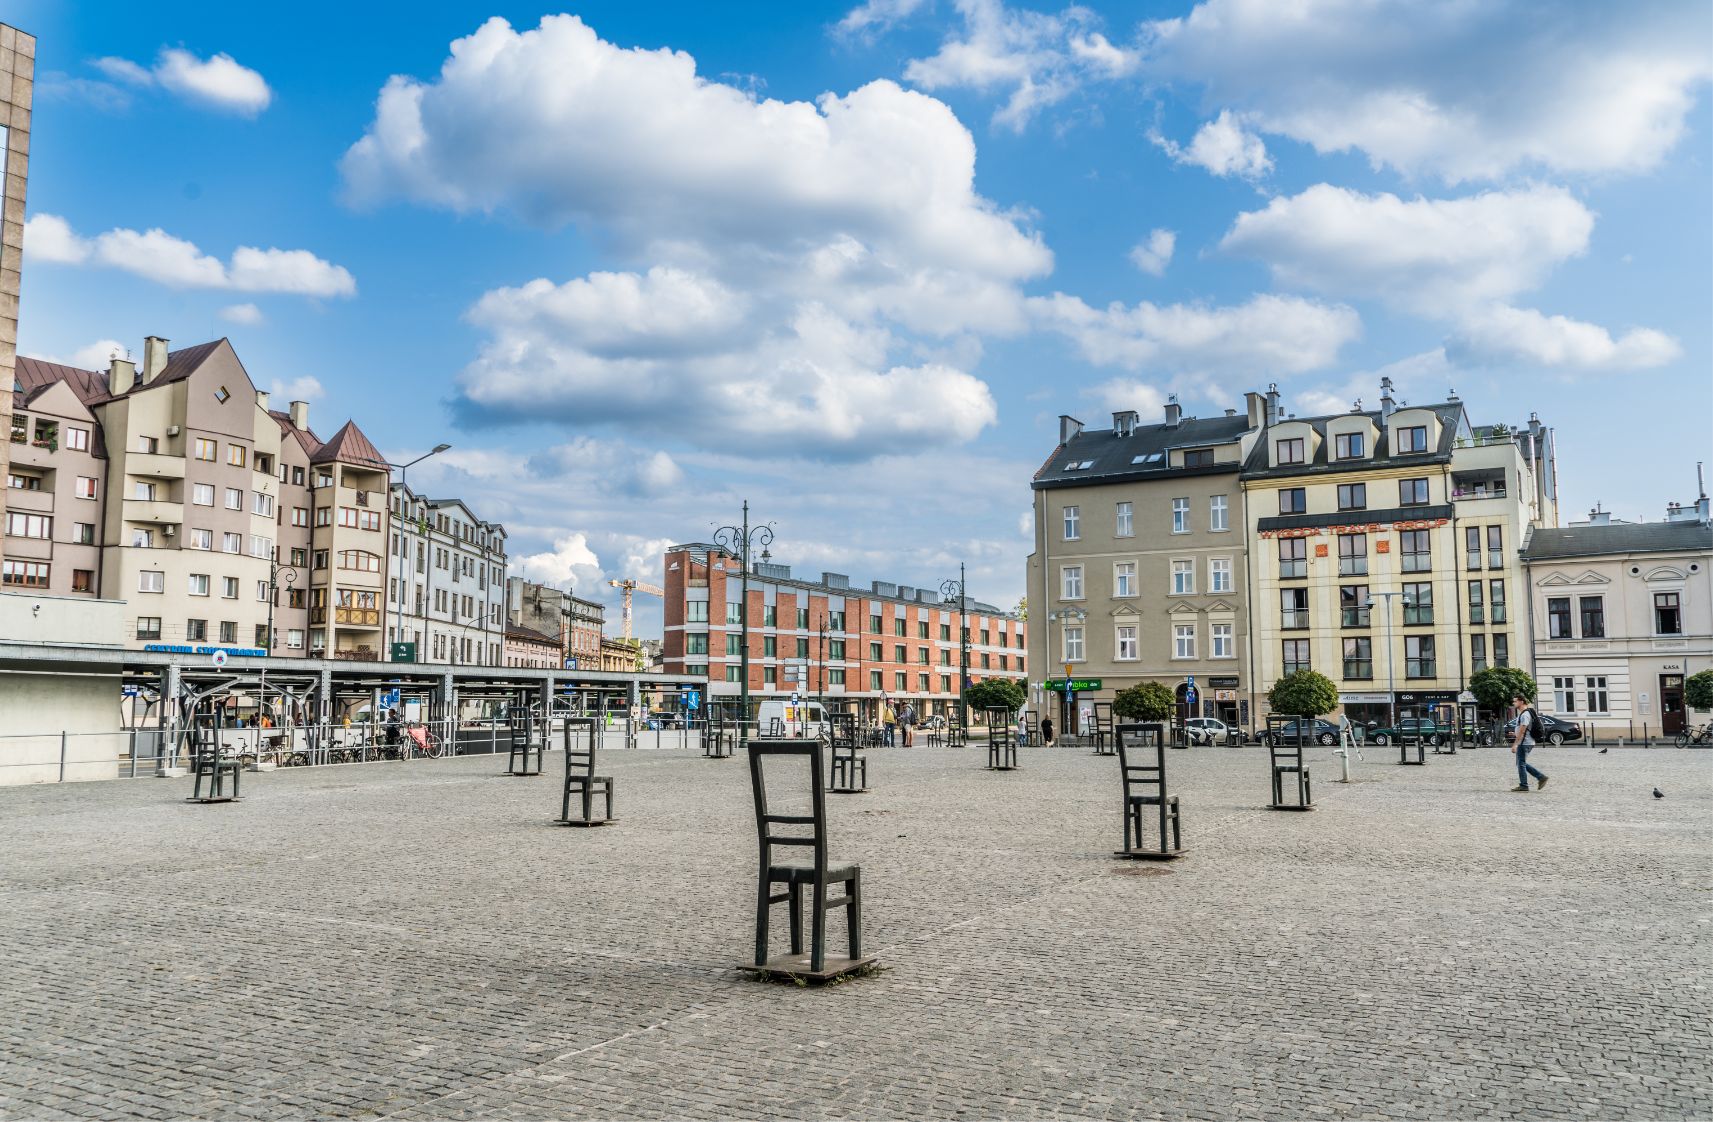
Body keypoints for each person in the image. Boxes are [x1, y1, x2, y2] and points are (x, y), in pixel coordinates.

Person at [1509, 692, 1549, 792]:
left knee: (1521, 763)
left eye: (1515, 701)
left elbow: (1523, 730)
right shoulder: (1525, 713)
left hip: (1524, 742)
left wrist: (1515, 744)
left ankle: (1526, 784)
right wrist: (1515, 734)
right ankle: (1539, 777)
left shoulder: (1525, 714)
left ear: (1521, 702)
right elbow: (1523, 730)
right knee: (1521, 763)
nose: (1513, 703)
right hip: (1527, 741)